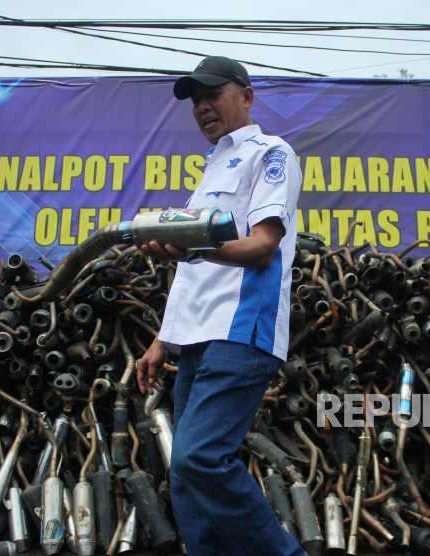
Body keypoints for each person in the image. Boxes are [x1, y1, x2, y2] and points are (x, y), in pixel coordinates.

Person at [136, 56, 306, 556]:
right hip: (195, 338)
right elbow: (194, 271)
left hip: (241, 328)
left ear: (247, 96)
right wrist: (160, 340)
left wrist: (191, 246)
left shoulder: (271, 154)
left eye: (213, 94)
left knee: (201, 459)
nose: (202, 107)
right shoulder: (211, 169)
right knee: (187, 481)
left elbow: (261, 248)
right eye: (195, 100)